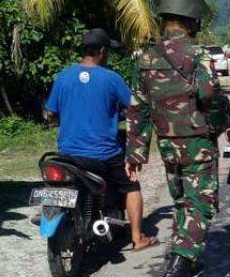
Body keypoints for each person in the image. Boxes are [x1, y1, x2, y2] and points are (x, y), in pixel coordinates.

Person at [125, 0, 227, 277]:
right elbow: (210, 95)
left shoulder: (144, 58)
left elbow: (137, 108)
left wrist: (136, 151)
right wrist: (219, 124)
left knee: (183, 202)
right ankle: (176, 275)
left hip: (168, 146)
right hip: (197, 144)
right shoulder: (199, 56)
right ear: (191, 20)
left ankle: (185, 257)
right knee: (201, 206)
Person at [45, 28, 158, 252]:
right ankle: (138, 238)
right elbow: (134, 107)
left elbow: (50, 112)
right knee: (131, 185)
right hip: (104, 154)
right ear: (103, 51)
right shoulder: (111, 79)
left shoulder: (64, 76)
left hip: (68, 154)